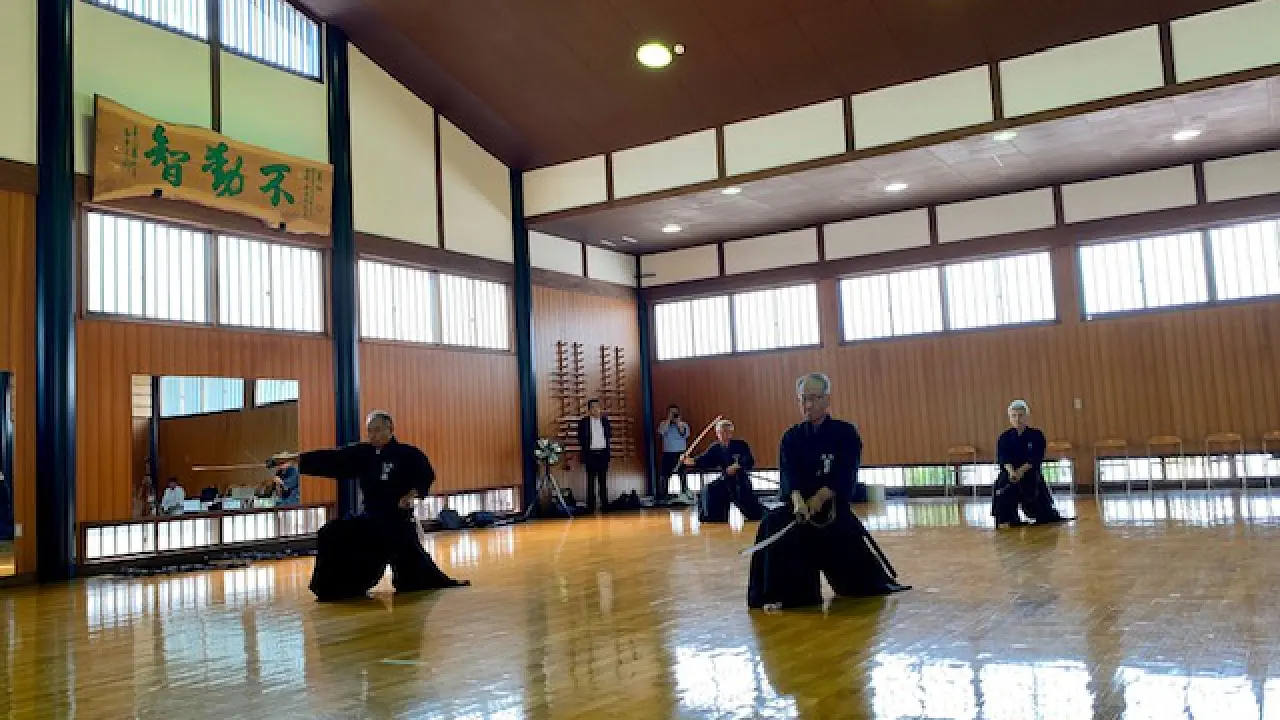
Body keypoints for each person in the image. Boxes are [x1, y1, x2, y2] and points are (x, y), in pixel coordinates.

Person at [747, 373, 909, 610]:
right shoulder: (791, 436)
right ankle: (787, 595)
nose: (808, 405)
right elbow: (788, 475)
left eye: (814, 398)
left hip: (832, 507)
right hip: (799, 508)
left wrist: (820, 498)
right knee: (773, 524)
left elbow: (845, 472)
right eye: (803, 399)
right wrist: (798, 501)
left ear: (827, 400)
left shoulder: (845, 433)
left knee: (855, 571)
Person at [270, 410, 469, 602]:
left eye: (376, 430)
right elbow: (333, 458)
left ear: (390, 429)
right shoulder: (364, 454)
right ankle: (337, 588)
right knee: (330, 533)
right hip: (370, 518)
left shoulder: (408, 454)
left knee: (413, 571)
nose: (372, 435)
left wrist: (411, 495)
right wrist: (290, 459)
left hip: (397, 521)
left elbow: (425, 477)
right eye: (369, 431)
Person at [991, 400, 1072, 528]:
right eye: (1014, 416)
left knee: (1037, 496)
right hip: (1010, 472)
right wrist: (1012, 473)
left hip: (1029, 472)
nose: (1017, 419)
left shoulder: (1036, 435)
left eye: (1020, 415)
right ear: (1010, 418)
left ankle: (1044, 514)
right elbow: (1003, 457)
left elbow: (1035, 458)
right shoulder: (1004, 437)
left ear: (1026, 416)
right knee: (1002, 485)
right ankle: (1007, 519)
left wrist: (1021, 471)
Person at [684, 419, 765, 522]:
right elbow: (704, 459)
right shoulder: (716, 447)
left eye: (725, 432)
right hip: (725, 479)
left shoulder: (740, 444)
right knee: (709, 490)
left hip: (740, 480)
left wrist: (736, 466)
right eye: (719, 432)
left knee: (749, 505)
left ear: (731, 433)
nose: (722, 435)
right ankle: (714, 518)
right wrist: (691, 461)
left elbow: (748, 460)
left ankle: (761, 515)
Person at [576, 399, 613, 513]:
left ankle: (605, 505)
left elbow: (609, 436)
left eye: (598, 407)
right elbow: (580, 438)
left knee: (603, 481)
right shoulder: (584, 422)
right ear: (589, 410)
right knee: (590, 481)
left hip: (603, 454)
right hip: (590, 454)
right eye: (593, 407)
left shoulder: (605, 421)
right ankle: (590, 507)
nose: (596, 409)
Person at [657, 405, 691, 504]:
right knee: (664, 474)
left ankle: (684, 493)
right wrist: (669, 420)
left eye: (675, 413)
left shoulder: (683, 424)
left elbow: (683, 434)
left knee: (683, 473)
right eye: (671, 413)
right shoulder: (663, 424)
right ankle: (663, 495)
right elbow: (662, 432)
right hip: (668, 453)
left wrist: (678, 423)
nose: (673, 415)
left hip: (681, 453)